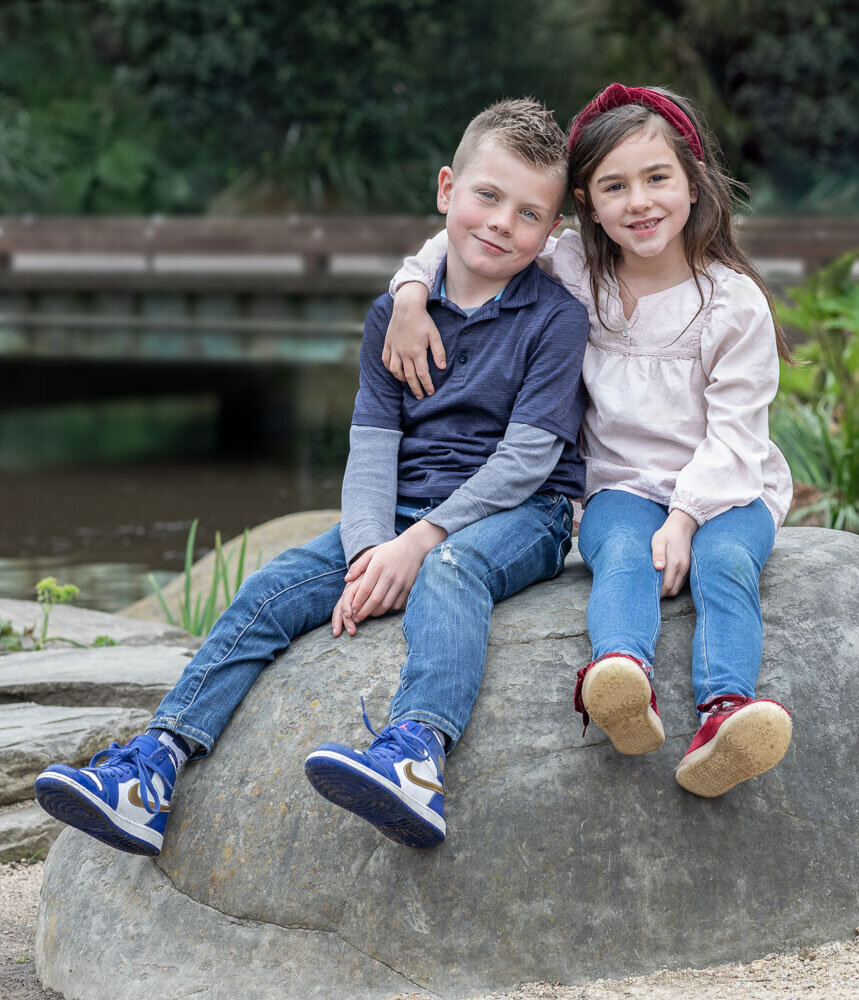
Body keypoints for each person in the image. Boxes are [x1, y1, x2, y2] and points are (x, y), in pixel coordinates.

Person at [34, 97, 589, 853]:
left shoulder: (553, 317)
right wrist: (368, 549)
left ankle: (416, 757)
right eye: (487, 196)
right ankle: (152, 768)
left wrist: (416, 544)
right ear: (446, 190)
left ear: (552, 231)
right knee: (273, 586)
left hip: (524, 512)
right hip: (395, 509)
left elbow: (527, 460)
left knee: (451, 571)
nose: (500, 223)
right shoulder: (393, 318)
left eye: (529, 214)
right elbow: (371, 446)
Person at [384, 83, 795, 798]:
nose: (638, 201)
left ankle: (724, 712)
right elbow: (469, 238)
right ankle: (621, 678)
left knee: (725, 565)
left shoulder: (733, 303)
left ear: (693, 183)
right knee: (618, 552)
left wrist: (688, 518)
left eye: (657, 178)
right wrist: (412, 293)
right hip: (622, 486)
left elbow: (737, 435)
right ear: (585, 203)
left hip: (727, 490)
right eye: (615, 186)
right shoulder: (578, 269)